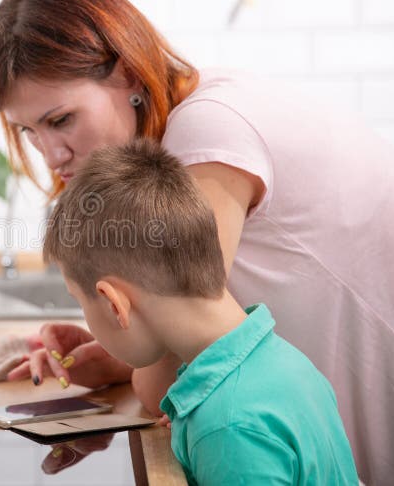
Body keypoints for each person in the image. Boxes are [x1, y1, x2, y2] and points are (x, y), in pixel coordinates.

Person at [0, 0, 394, 486]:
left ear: (125, 74)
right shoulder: (195, 116)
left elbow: (165, 378)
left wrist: (127, 342)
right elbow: (184, 334)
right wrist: (117, 350)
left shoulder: (207, 133)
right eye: (27, 131)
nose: (51, 153)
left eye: (60, 120)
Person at [44, 139, 359, 484]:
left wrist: (213, 432)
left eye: (80, 301)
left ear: (113, 304)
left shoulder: (229, 426)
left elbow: (235, 431)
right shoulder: (286, 365)